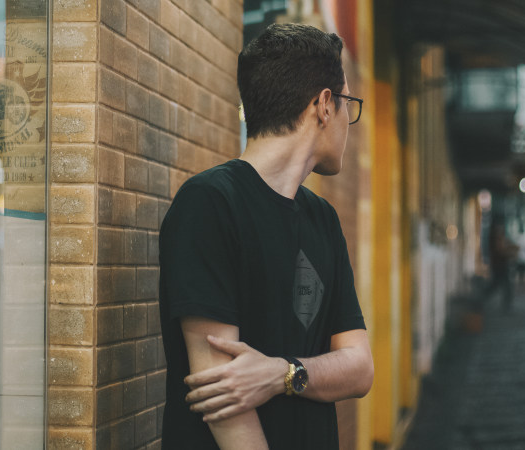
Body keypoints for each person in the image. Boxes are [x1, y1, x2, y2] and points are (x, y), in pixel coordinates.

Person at [158, 23, 374, 449]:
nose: (350, 119)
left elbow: (360, 368)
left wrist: (282, 374)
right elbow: (225, 404)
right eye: (348, 102)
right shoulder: (209, 204)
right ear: (324, 106)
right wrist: (304, 373)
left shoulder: (323, 219)